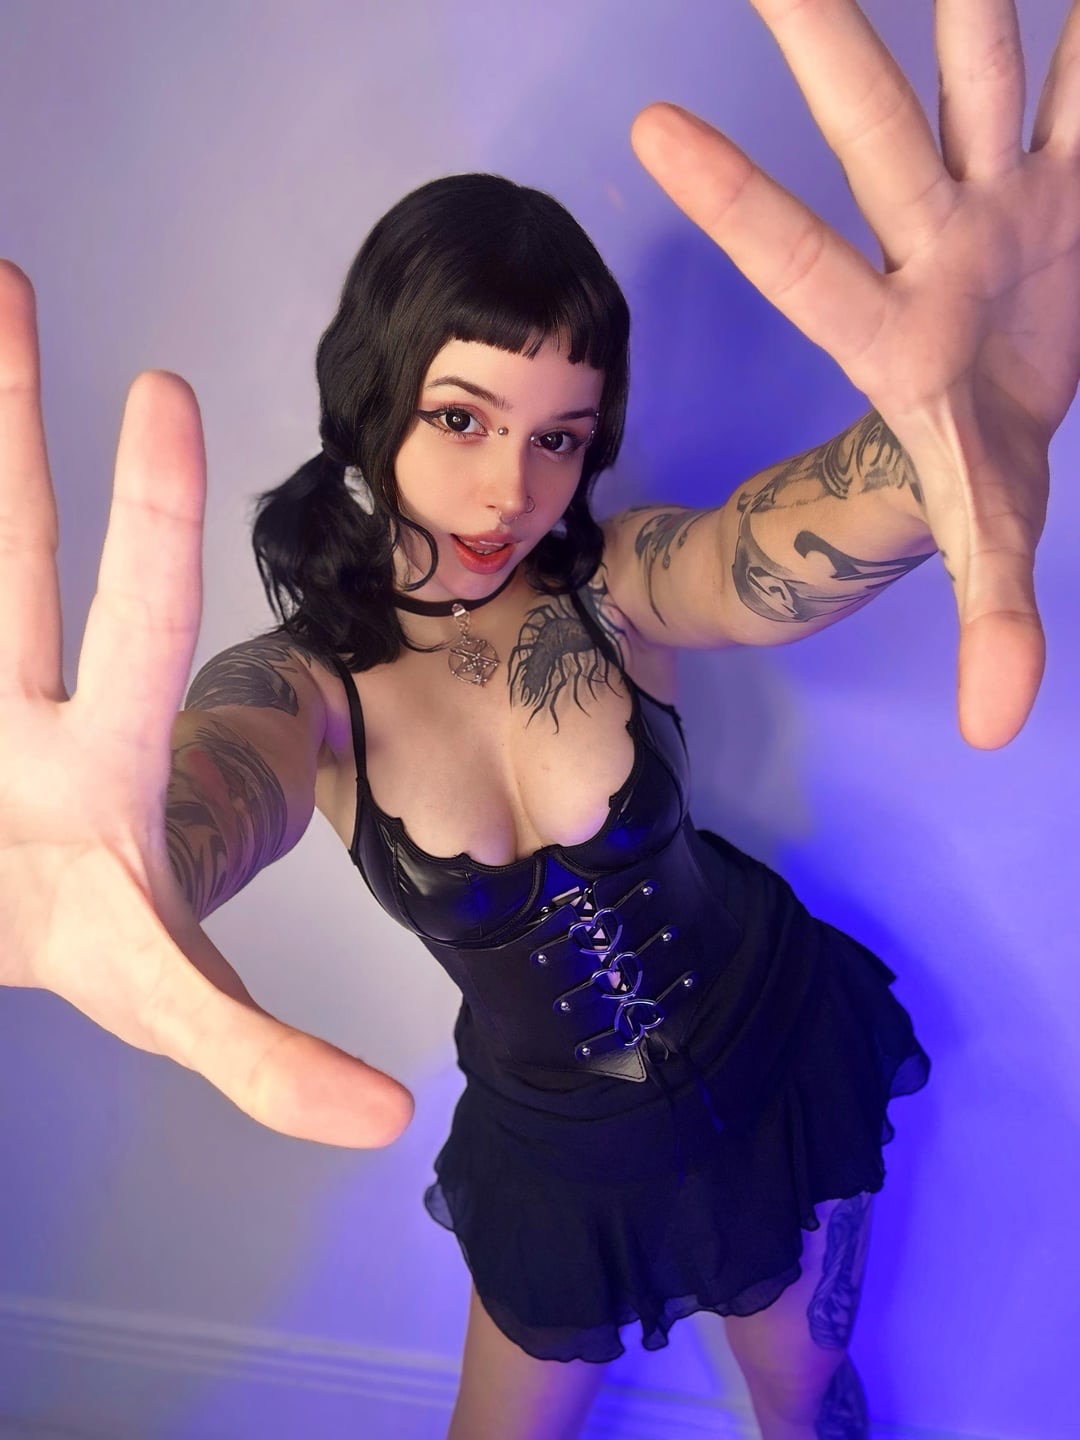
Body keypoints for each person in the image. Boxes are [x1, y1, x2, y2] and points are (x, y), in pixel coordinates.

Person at [1, 1, 1073, 1436]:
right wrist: (126, 863)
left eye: (559, 436)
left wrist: (958, 433)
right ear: (374, 399)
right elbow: (200, 797)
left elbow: (761, 555)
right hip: (560, 1158)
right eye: (463, 418)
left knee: (808, 1402)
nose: (514, 489)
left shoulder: (615, 582)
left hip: (771, 1058)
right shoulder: (303, 689)